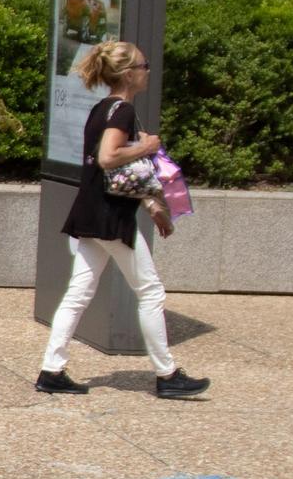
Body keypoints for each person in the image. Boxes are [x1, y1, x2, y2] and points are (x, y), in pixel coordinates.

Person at [36, 39, 207, 400]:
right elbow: (108, 157)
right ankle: (167, 374)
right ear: (129, 74)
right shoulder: (123, 112)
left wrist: (151, 203)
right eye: (144, 66)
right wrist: (146, 146)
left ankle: (52, 369)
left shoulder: (102, 108)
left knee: (78, 292)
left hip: (89, 213)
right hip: (109, 218)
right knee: (150, 291)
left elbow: (122, 173)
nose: (148, 72)